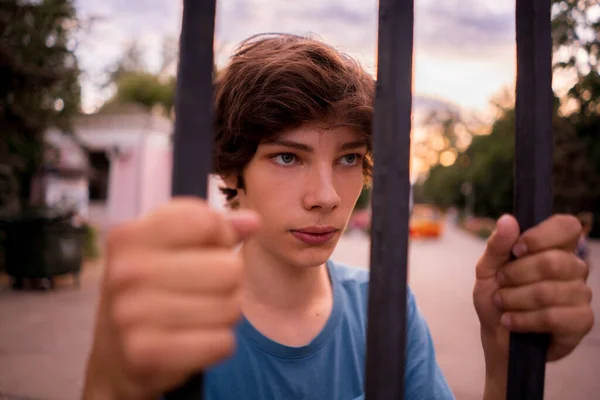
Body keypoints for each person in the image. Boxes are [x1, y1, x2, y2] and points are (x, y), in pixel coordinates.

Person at [82, 34, 594, 400]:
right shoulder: (175, 319)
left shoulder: (386, 311)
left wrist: (504, 358)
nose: (326, 196)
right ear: (233, 166)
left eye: (348, 158)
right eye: (288, 157)